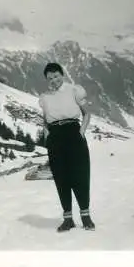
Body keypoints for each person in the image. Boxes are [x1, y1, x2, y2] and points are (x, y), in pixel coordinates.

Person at [38, 62, 95, 232]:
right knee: (61, 178)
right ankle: (68, 219)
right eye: (50, 78)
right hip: (55, 138)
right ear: (46, 80)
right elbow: (45, 120)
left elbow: (87, 113)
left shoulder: (74, 90)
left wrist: (82, 132)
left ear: (62, 75)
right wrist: (48, 138)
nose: (54, 80)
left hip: (74, 134)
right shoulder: (45, 97)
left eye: (56, 76)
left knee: (80, 174)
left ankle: (86, 216)